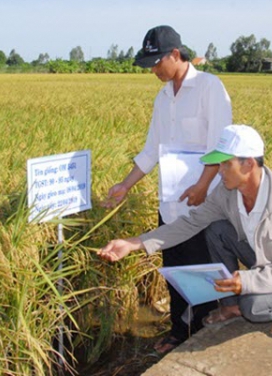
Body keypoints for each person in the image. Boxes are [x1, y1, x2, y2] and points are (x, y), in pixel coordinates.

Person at [99, 125, 272, 340]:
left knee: (252, 307)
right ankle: (229, 306)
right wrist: (134, 243)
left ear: (248, 165)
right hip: (266, 262)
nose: (220, 172)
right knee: (216, 229)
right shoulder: (227, 192)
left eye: (225, 164)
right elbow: (191, 223)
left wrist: (248, 280)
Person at [103, 25, 232, 353]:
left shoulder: (209, 88)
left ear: (175, 54)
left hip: (206, 202)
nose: (153, 71)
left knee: (203, 268)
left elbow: (220, 145)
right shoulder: (162, 98)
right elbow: (152, 150)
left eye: (156, 62)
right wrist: (125, 185)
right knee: (174, 268)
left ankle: (205, 332)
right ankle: (178, 329)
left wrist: (203, 186)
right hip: (172, 202)